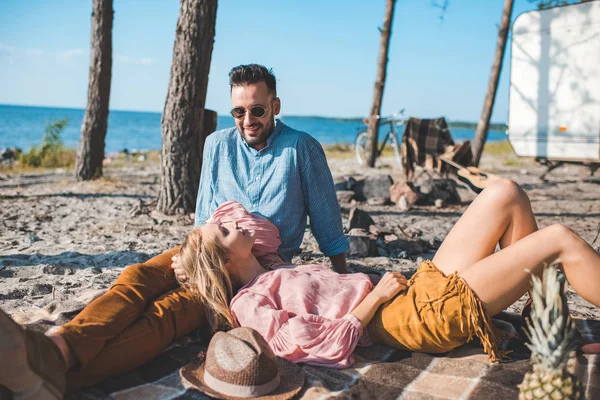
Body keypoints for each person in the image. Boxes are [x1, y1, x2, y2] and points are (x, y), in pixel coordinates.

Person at [173, 178, 600, 368]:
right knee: (559, 238)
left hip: (415, 292)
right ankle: (546, 319)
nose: (238, 225)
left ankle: (544, 322)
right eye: (227, 231)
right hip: (408, 318)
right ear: (224, 263)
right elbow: (306, 345)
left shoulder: (269, 263)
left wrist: (193, 249)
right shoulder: (248, 301)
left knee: (505, 192)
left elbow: (249, 222)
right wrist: (373, 300)